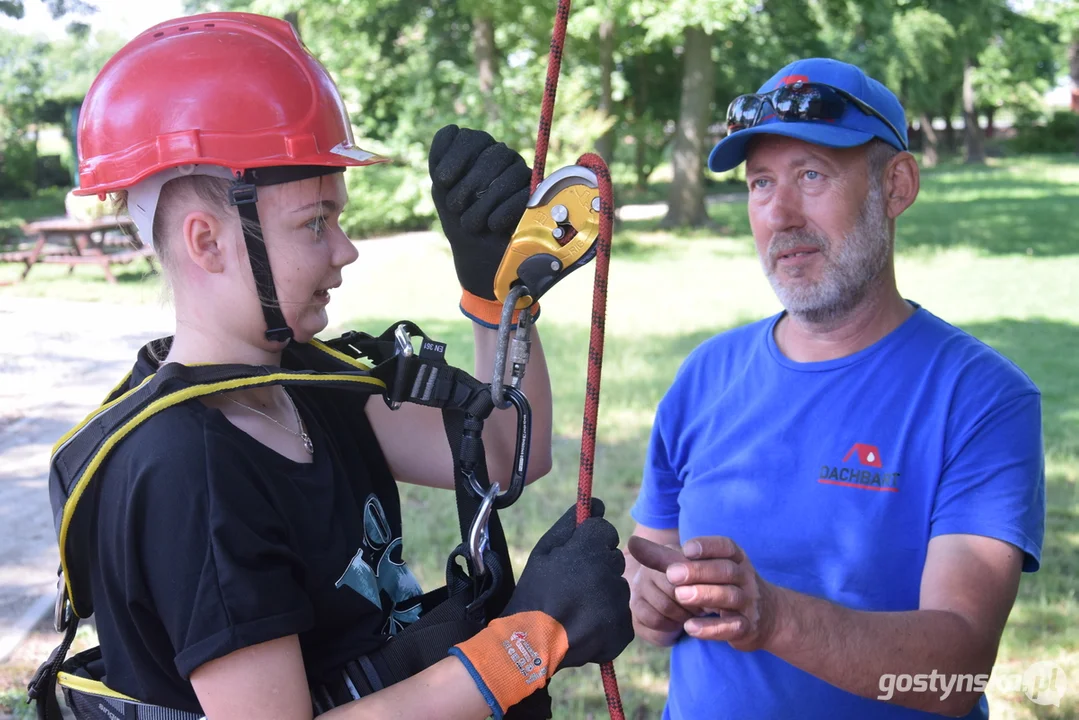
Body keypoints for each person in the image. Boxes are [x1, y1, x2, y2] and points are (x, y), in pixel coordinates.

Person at [63, 12, 632, 720]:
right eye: (314, 223)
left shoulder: (309, 387)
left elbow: (505, 453)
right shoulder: (190, 470)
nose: (345, 250)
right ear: (207, 241)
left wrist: (495, 298)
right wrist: (524, 644)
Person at [623, 57, 1045, 719]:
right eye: (760, 183)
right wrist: (649, 600)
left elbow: (953, 678)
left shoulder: (980, 398)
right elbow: (648, 578)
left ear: (895, 185)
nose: (779, 213)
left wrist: (773, 619)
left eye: (811, 175)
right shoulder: (703, 376)